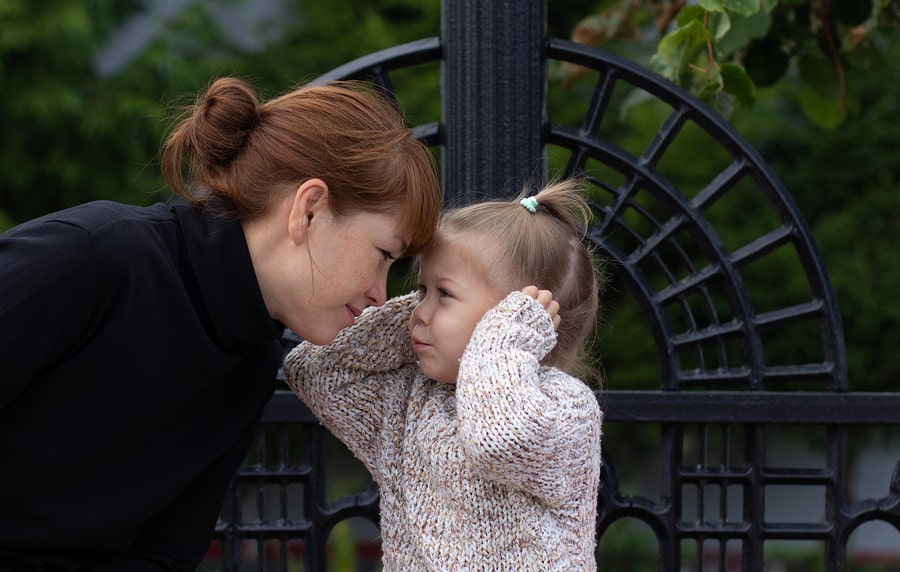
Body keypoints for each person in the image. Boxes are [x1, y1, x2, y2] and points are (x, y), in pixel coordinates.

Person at [0, 77, 441, 571]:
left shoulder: (250, 361)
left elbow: (163, 556)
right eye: (384, 254)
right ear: (309, 208)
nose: (381, 294)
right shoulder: (91, 258)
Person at [285, 179, 605, 570]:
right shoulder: (408, 400)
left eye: (445, 294)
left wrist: (505, 337)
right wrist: (413, 319)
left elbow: (499, 439)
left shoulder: (565, 407)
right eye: (422, 290)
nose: (420, 309)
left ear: (518, 315)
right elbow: (315, 372)